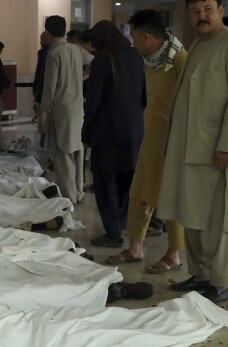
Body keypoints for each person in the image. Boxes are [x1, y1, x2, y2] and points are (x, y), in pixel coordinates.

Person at [157, 0, 228, 306]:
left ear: (221, 10)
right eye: (196, 10)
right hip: (190, 148)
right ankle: (200, 275)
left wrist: (227, 144)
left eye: (208, 9)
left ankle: (221, 282)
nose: (202, 15)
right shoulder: (198, 44)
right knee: (192, 216)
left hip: (218, 151)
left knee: (219, 221)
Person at [108, 10, 187, 272]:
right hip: (150, 135)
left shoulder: (179, 58)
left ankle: (174, 254)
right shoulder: (149, 60)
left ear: (147, 37)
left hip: (172, 139)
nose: (133, 43)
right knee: (140, 191)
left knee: (171, 195)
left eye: (134, 37)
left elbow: (190, 101)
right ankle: (135, 246)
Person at [83, 21, 145, 249]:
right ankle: (121, 224)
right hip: (134, 131)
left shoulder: (102, 60)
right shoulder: (136, 55)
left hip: (107, 132)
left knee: (105, 182)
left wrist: (86, 132)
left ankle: (112, 233)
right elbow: (144, 95)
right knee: (126, 181)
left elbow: (93, 102)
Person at [39, 16, 87, 205]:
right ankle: (79, 193)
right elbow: (97, 62)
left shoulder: (54, 53)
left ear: (47, 32)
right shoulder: (76, 49)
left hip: (61, 109)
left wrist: (42, 113)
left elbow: (49, 88)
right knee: (77, 152)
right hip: (78, 107)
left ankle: (69, 197)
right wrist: (81, 77)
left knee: (62, 154)